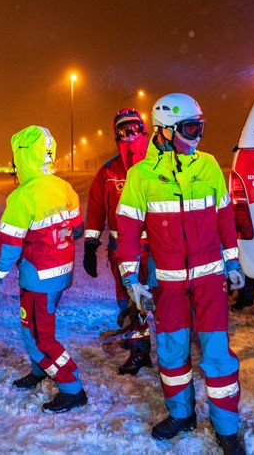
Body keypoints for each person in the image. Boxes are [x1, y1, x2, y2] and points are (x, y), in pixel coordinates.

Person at [116, 94, 246, 454]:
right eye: (191, 129)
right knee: (172, 354)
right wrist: (131, 280)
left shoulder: (208, 167)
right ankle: (181, 414)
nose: (198, 137)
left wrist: (233, 263)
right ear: (166, 132)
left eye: (200, 128)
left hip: (209, 281)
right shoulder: (141, 176)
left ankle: (227, 429)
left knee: (217, 355)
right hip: (168, 284)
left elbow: (224, 219)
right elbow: (126, 230)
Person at [0, 125, 87, 413]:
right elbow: (76, 229)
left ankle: (72, 388)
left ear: (22, 157)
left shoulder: (23, 196)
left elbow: (9, 245)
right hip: (61, 273)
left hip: (38, 277)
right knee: (33, 326)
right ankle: (40, 368)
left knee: (41, 335)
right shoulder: (64, 187)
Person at [83, 108, 152, 375]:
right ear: (116, 135)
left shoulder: (156, 168)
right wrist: (91, 244)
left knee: (165, 299)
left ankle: (174, 351)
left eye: (135, 128)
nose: (130, 135)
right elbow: (97, 209)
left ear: (144, 130)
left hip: (156, 247)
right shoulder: (108, 172)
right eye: (124, 131)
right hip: (121, 249)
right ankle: (139, 350)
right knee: (129, 299)